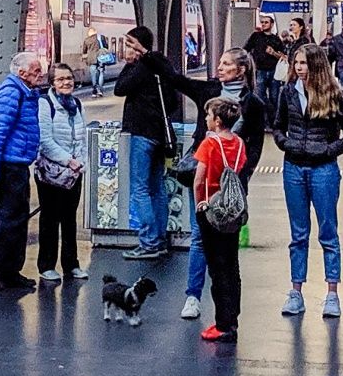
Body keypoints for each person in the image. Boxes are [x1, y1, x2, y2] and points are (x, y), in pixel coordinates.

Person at [272, 43, 343, 318]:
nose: (298, 68)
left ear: (316, 65)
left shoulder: (334, 94)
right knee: (298, 234)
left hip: (324, 170)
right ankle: (296, 291)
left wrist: (327, 150)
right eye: (296, 63)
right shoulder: (288, 92)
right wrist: (286, 143)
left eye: (304, 63)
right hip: (293, 168)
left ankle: (332, 293)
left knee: (327, 232)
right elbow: (277, 126)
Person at [114, 26, 217, 261]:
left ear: (138, 45)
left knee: (139, 189)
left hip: (142, 132)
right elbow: (172, 103)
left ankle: (149, 242)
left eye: (129, 44)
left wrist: (130, 64)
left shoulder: (141, 68)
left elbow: (120, 89)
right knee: (157, 187)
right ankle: (159, 239)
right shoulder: (163, 68)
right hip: (161, 134)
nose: (127, 49)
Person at [179, 50, 266, 321]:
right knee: (199, 238)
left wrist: (242, 177)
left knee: (226, 246)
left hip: (229, 186)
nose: (219, 67)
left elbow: (255, 146)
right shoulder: (210, 92)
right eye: (220, 63)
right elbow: (176, 80)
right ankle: (193, 296)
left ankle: (227, 311)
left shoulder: (254, 104)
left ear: (241, 70)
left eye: (226, 64)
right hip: (205, 180)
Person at [0, 51, 49, 291]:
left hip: (18, 165)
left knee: (18, 220)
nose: (41, 74)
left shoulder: (26, 93)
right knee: (11, 221)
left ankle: (10, 271)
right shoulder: (11, 94)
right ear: (22, 73)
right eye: (36, 70)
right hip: (9, 167)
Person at [193, 97, 248, 344]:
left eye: (208, 116)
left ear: (216, 121)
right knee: (232, 266)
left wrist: (199, 205)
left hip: (211, 211)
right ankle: (232, 319)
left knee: (216, 268)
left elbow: (198, 180)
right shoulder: (239, 144)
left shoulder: (209, 144)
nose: (206, 119)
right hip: (232, 212)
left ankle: (222, 324)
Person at [35, 63, 89, 284]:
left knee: (69, 218)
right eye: (60, 79)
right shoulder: (44, 104)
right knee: (50, 217)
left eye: (69, 78)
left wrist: (81, 162)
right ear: (52, 82)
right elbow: (45, 141)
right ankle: (46, 265)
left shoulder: (77, 104)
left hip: (74, 171)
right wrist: (68, 160)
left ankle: (71, 264)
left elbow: (82, 135)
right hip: (51, 171)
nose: (66, 82)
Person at [243, 16, 284, 110]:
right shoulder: (256, 36)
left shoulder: (276, 39)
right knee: (259, 95)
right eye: (262, 22)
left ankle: (273, 118)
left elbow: (282, 57)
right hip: (259, 69)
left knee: (275, 96)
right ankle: (263, 115)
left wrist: (273, 53)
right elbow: (246, 49)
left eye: (266, 22)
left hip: (274, 71)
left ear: (272, 24)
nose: (264, 24)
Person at [81, 28, 105, 93]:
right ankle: (100, 90)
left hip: (91, 59)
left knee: (93, 75)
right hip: (101, 58)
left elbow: (84, 50)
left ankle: (94, 89)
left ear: (89, 33)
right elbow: (106, 47)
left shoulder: (87, 40)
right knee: (101, 73)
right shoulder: (102, 38)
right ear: (95, 32)